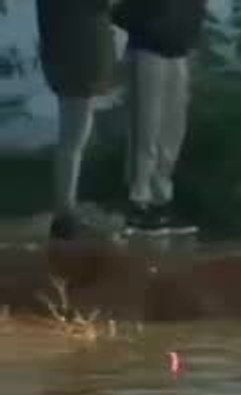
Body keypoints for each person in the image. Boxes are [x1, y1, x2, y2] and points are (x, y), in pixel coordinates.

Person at [111, 0, 208, 233]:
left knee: (173, 130)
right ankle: (138, 201)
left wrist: (190, 39)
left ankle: (160, 201)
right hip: (147, 49)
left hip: (178, 51)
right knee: (146, 128)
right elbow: (120, 12)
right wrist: (150, 24)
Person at [35, 0, 118, 242]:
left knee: (71, 139)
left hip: (64, 57)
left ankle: (66, 213)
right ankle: (65, 216)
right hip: (78, 59)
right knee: (73, 140)